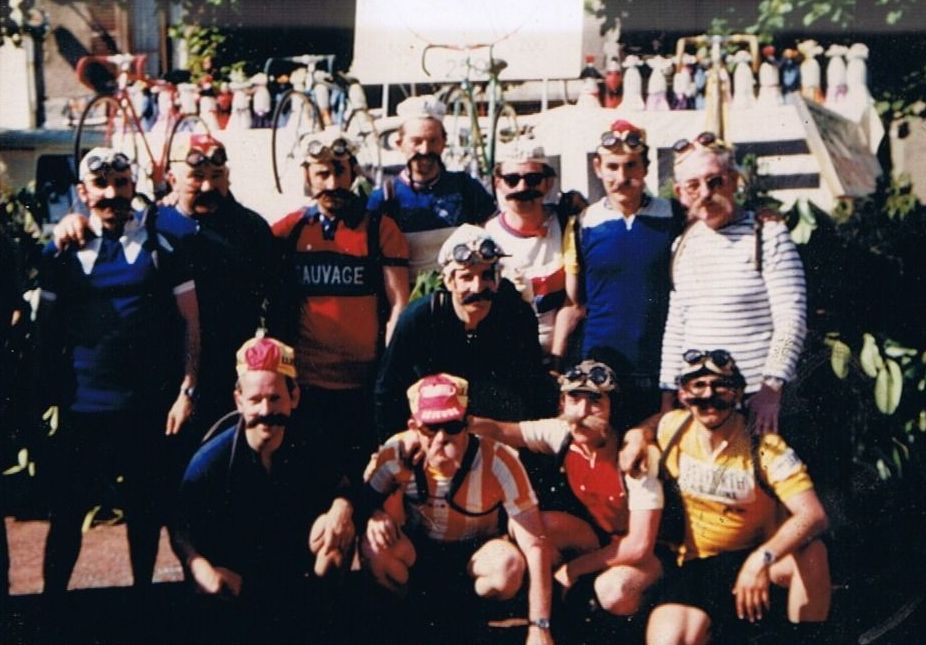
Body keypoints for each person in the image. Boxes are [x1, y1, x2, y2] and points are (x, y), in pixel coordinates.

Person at [37, 148, 200, 591]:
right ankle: (50, 607)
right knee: (68, 512)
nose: (112, 194)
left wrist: (186, 389)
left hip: (145, 407)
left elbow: (190, 322)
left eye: (121, 184)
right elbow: (44, 331)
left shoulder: (159, 245)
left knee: (145, 512)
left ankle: (142, 601)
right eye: (101, 186)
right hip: (82, 407)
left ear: (133, 185)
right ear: (83, 193)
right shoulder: (61, 251)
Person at [52, 134, 274, 435]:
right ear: (172, 178)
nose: (208, 186)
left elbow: (278, 304)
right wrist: (72, 220)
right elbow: (109, 222)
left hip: (234, 376)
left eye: (217, 176)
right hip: (170, 382)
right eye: (196, 177)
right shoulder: (154, 223)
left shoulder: (253, 229)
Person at [171, 334, 354, 642]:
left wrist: (341, 509)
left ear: (293, 397)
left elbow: (344, 486)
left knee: (334, 540)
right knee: (210, 594)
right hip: (239, 573)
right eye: (255, 400)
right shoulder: (211, 460)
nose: (266, 411)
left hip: (295, 565)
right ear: (239, 400)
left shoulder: (313, 441)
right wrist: (198, 567)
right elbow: (180, 527)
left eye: (275, 398)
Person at [646, 350, 830, 645]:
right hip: (696, 565)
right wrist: (634, 437)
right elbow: (654, 424)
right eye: (699, 385)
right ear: (682, 393)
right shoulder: (674, 428)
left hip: (754, 558)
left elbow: (813, 515)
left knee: (813, 552)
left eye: (721, 386)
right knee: (671, 638)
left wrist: (760, 559)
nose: (710, 396)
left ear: (739, 392)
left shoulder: (764, 446)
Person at [359, 373, 554, 645]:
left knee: (508, 566)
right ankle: (399, 618)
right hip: (419, 552)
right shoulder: (395, 453)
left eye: (452, 426)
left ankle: (466, 616)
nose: (441, 438)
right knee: (374, 545)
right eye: (431, 428)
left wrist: (539, 627)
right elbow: (362, 501)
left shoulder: (499, 460)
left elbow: (535, 545)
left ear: (467, 425)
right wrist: (373, 515)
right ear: (414, 426)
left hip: (474, 556)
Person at [469, 359, 664, 618]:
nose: (582, 411)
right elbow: (503, 431)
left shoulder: (633, 454)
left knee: (614, 591)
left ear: (611, 408)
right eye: (574, 399)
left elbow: (639, 545)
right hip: (599, 540)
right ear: (562, 403)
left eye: (595, 401)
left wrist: (574, 568)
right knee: (536, 525)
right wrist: (455, 423)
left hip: (643, 551)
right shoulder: (561, 432)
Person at [269, 132, 409, 482]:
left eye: (340, 171)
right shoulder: (291, 229)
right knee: (312, 478)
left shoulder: (380, 228)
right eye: (321, 174)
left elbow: (399, 303)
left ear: (353, 172)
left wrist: (388, 371)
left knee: (365, 476)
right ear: (307, 176)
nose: (332, 183)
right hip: (309, 382)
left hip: (364, 383)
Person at [658, 132, 807, 434]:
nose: (705, 192)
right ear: (680, 193)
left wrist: (772, 388)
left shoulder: (768, 236)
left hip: (756, 403)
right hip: (699, 404)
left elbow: (792, 320)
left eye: (715, 181)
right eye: (693, 185)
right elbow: (677, 324)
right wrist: (667, 393)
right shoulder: (682, 244)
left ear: (735, 181)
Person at [374, 225, 552, 441]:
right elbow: (388, 390)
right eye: (467, 277)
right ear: (449, 281)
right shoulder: (421, 318)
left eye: (486, 276)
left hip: (495, 429)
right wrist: (398, 446)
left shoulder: (516, 315)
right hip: (434, 431)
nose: (477, 288)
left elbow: (532, 388)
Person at [561, 120, 684, 426]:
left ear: (645, 168)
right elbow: (575, 300)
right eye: (612, 167)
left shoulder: (674, 215)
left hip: (659, 362)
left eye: (631, 166)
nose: (622, 177)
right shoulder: (582, 223)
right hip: (601, 362)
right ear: (598, 167)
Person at [366, 95, 496, 278]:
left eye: (433, 140)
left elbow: (495, 233)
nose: (425, 150)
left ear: (444, 142)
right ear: (399, 144)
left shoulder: (465, 187)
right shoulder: (385, 197)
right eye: (416, 141)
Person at [484, 144, 567, 362]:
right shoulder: (487, 237)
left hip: (566, 355)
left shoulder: (569, 225)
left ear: (548, 183)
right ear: (498, 183)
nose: (522, 187)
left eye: (532, 179)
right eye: (512, 179)